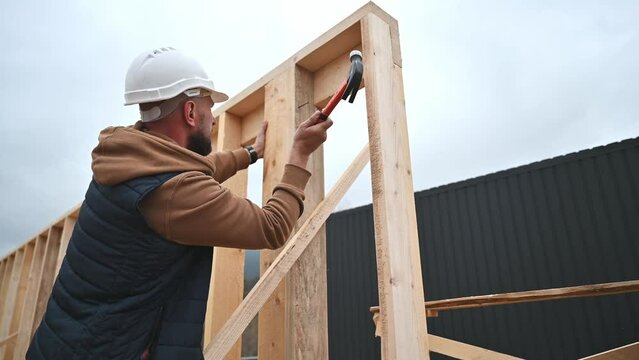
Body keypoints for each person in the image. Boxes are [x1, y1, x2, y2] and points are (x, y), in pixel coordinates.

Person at [27, 47, 333, 359]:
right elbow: (272, 227)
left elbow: (194, 169)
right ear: (189, 112)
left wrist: (249, 154)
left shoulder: (127, 156)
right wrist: (299, 153)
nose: (212, 119)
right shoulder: (174, 192)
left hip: (61, 341)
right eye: (209, 108)